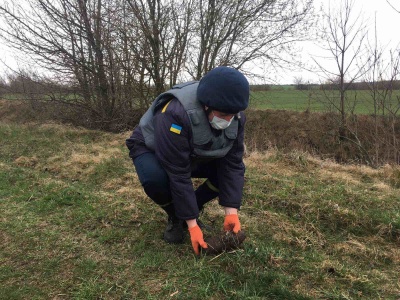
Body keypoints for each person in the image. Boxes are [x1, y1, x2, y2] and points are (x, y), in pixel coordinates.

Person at [126, 66, 249, 255]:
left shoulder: (236, 116)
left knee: (223, 174)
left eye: (232, 115)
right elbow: (178, 172)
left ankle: (194, 205)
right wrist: (192, 224)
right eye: (223, 115)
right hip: (152, 145)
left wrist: (231, 212)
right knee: (155, 178)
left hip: (194, 148)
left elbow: (232, 164)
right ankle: (176, 216)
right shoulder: (175, 113)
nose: (228, 120)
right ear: (206, 105)